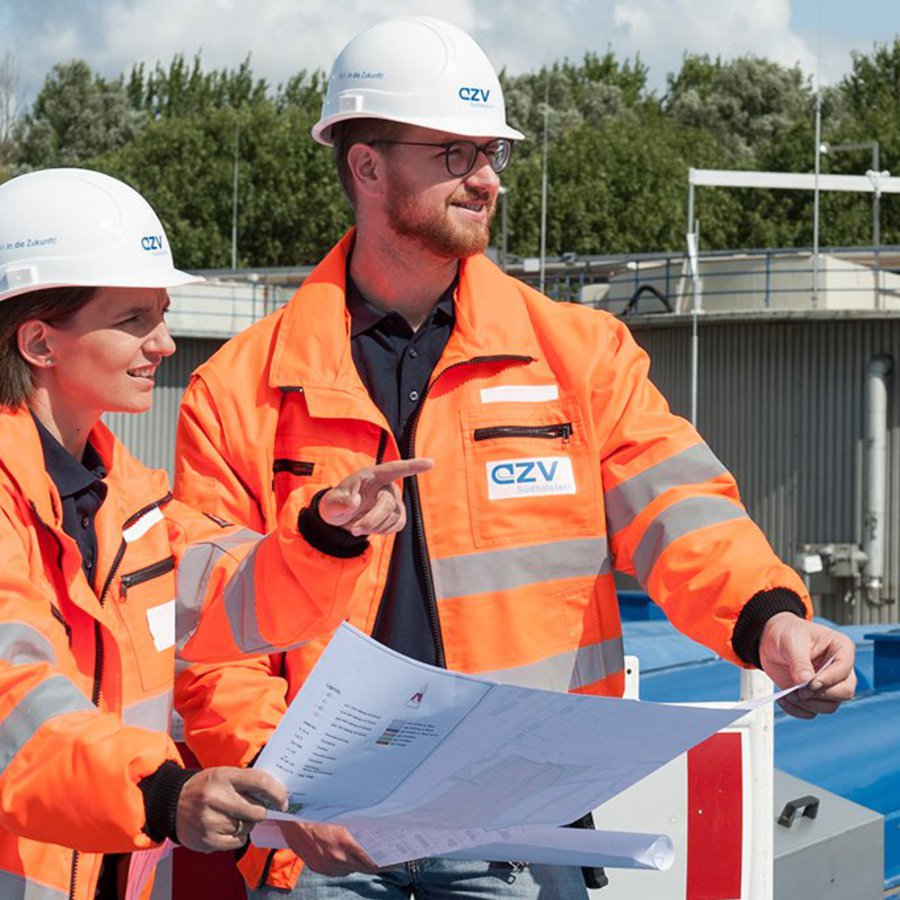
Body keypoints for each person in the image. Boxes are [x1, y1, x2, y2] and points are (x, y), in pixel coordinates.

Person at [173, 15, 857, 900]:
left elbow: (681, 517)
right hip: (324, 841)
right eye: (455, 153)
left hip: (515, 834)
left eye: (491, 150)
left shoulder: (579, 355)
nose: (488, 176)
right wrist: (278, 786)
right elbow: (213, 638)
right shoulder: (240, 389)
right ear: (367, 165)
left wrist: (773, 623)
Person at [0, 167, 427, 900]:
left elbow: (233, 604)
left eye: (161, 314)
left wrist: (327, 534)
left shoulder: (121, 497)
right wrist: (161, 792)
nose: (165, 343)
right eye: (135, 319)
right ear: (40, 342)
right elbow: (13, 697)